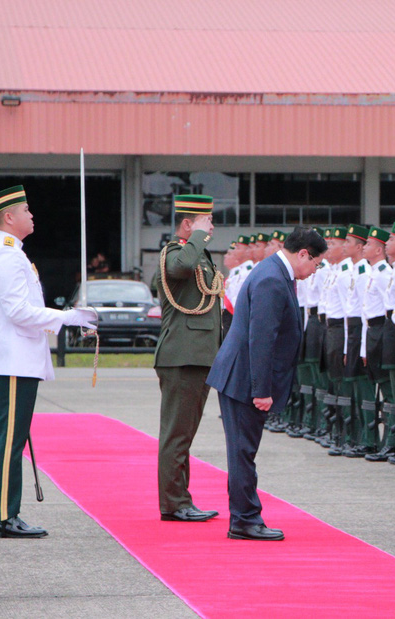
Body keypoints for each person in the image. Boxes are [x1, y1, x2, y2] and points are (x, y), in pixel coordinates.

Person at [0, 185, 97, 539]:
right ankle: (1, 517)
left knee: (9, 439)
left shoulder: (10, 251)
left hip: (15, 359)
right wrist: (69, 317)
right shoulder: (7, 253)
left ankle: (3, 513)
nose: (32, 215)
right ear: (9, 217)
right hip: (11, 360)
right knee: (10, 439)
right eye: (26, 210)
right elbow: (17, 311)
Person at [206, 227, 327, 541]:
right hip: (245, 379)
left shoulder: (275, 272)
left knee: (243, 451)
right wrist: (261, 390)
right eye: (316, 263)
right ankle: (245, 520)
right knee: (243, 452)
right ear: (303, 254)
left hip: (243, 375)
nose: (315, 270)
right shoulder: (273, 279)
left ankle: (245, 517)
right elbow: (261, 339)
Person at [153, 194, 224, 523]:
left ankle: (180, 500)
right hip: (182, 356)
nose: (211, 227)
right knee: (176, 434)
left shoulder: (196, 253)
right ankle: (175, 503)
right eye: (205, 221)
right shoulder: (176, 252)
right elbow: (178, 269)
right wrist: (197, 236)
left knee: (184, 433)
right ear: (187, 224)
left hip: (196, 356)